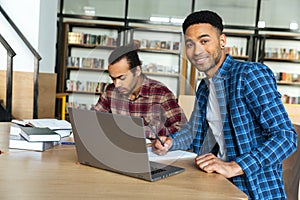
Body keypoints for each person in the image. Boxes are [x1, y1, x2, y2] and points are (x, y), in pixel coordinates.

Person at [152, 10, 298, 199]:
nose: (197, 51)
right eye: (190, 44)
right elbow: (194, 132)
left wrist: (234, 166)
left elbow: (286, 137)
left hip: (254, 189)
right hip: (216, 182)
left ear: (222, 41)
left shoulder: (249, 75)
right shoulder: (204, 87)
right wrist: (170, 143)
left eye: (204, 41)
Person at [93, 44, 187, 138]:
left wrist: (141, 132)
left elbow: (183, 129)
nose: (117, 84)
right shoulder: (110, 91)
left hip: (151, 150)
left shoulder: (161, 93)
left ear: (137, 70)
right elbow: (92, 119)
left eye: (122, 78)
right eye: (113, 78)